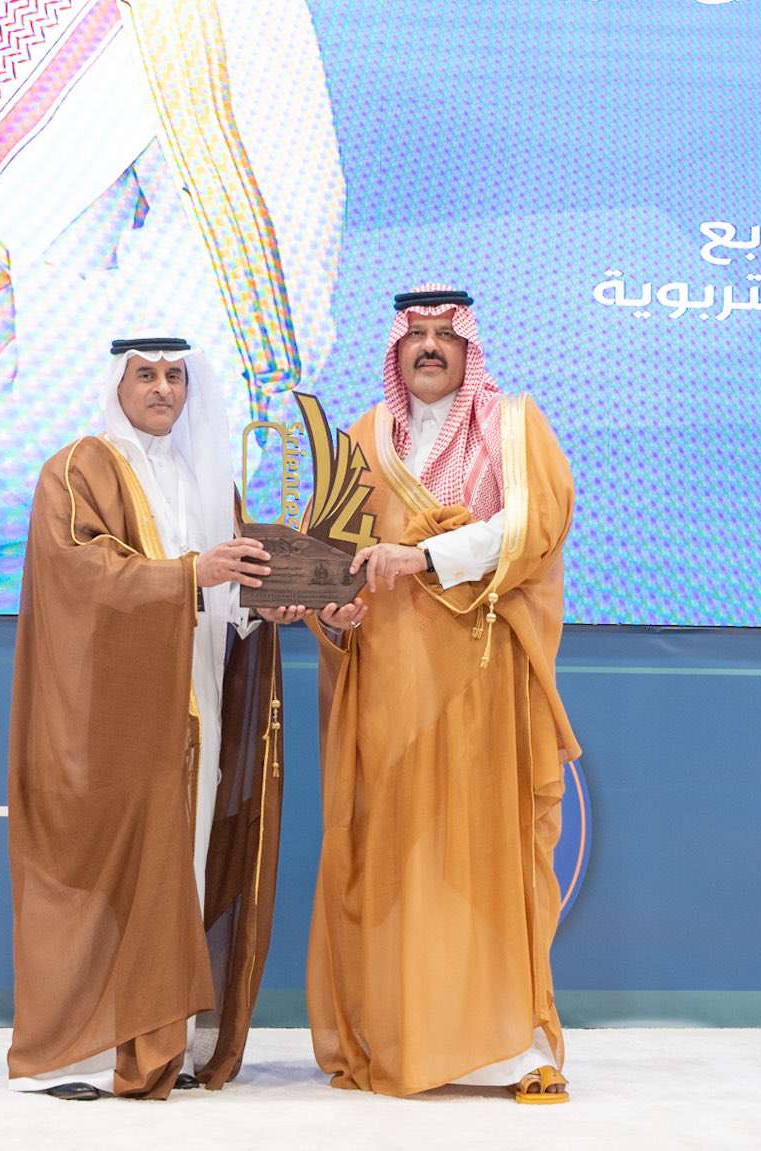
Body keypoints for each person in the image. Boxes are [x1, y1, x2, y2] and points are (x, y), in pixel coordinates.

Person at [5, 336, 304, 1100]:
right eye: (146, 374)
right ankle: (75, 1054)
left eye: (175, 375)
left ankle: (164, 1040)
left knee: (184, 870)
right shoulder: (79, 469)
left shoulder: (212, 481)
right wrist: (190, 574)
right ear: (120, 383)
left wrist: (267, 607)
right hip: (112, 717)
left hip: (196, 705)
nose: (163, 388)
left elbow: (229, 595)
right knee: (103, 878)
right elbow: (80, 576)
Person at [307, 287, 581, 1103]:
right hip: (389, 681)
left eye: (444, 335)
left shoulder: (512, 424)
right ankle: (403, 1034)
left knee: (485, 854)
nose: (429, 347)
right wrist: (331, 605)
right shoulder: (364, 437)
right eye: (415, 335)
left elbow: (533, 525)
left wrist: (424, 557)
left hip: (480, 679)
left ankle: (510, 1046)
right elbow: (334, 555)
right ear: (395, 351)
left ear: (468, 348)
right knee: (398, 855)